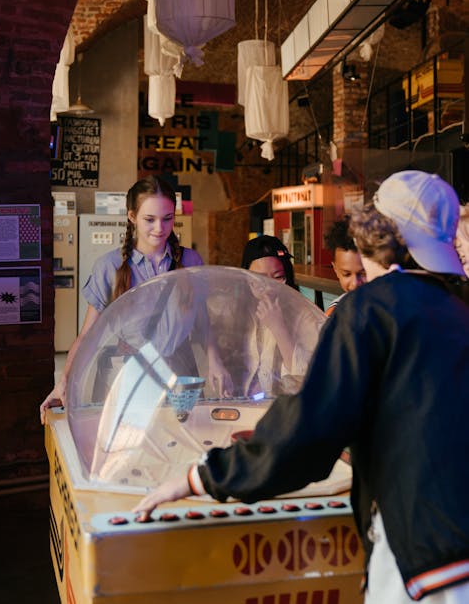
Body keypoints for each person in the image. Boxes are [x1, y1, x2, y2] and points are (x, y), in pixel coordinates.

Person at [134, 170, 469, 604]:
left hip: (431, 560)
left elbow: (309, 433)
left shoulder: (374, 309)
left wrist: (201, 476)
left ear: (377, 235)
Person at [40, 175, 206, 423]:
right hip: (131, 376)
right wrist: (63, 383)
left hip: (181, 376)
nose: (160, 228)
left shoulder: (191, 261)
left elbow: (204, 324)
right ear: (131, 217)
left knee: (183, 447)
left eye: (167, 218)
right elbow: (87, 334)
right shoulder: (109, 267)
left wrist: (217, 365)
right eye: (149, 219)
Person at [239, 235, 326, 395]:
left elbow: (309, 382)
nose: (269, 287)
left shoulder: (306, 315)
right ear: (248, 280)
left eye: (278, 277)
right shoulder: (245, 312)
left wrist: (278, 328)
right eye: (259, 278)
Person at [324, 215, 366, 315]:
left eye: (363, 273)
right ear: (336, 270)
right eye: (347, 274)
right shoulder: (336, 315)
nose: (355, 283)